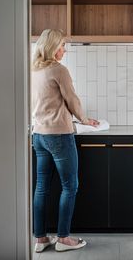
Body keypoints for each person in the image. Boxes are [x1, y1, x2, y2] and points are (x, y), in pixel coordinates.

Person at [32, 29, 99, 253]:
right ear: (51, 46)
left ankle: (40, 239)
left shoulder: (33, 70)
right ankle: (63, 238)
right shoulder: (58, 70)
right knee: (70, 186)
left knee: (41, 187)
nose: (64, 49)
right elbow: (71, 99)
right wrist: (85, 119)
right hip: (59, 135)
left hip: (38, 135)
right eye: (61, 45)